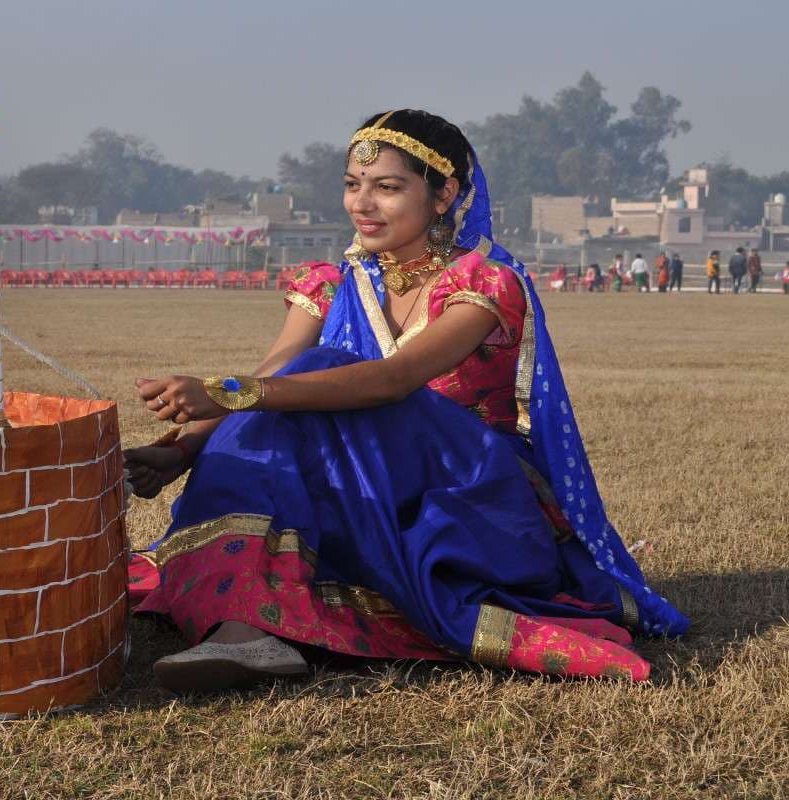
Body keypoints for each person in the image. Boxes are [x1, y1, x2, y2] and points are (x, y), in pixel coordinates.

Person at [124, 109, 686, 694]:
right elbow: (272, 372)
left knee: (308, 379)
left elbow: (397, 378)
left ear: (443, 195)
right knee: (290, 392)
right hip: (372, 482)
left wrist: (230, 393)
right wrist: (182, 450)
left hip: (471, 494)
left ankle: (255, 626)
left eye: (387, 187)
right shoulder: (337, 281)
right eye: (352, 184)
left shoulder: (485, 283)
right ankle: (249, 627)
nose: (362, 204)